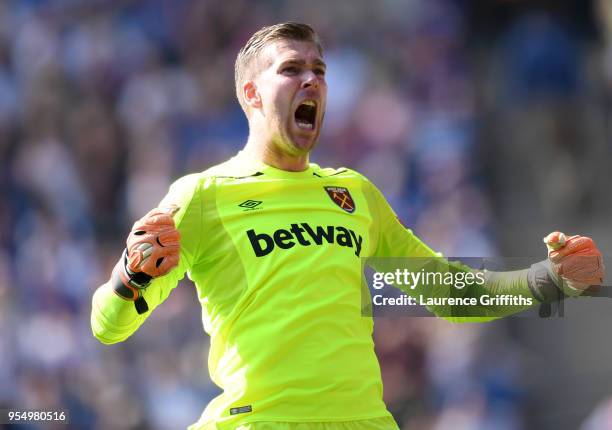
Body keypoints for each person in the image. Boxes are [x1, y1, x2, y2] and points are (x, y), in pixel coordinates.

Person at [91, 22, 604, 430]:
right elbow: (108, 327)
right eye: (291, 70)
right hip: (261, 423)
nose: (311, 80)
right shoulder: (203, 195)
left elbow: (449, 292)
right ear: (250, 93)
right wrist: (129, 276)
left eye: (319, 69)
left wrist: (549, 279)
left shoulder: (354, 193)